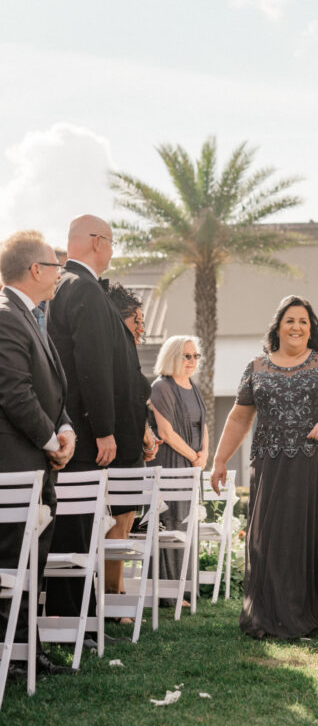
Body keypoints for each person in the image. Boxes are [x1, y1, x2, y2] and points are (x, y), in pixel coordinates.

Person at [210, 296, 318, 639]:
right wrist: (219, 459)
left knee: (317, 537)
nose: (297, 327)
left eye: (303, 321)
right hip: (271, 464)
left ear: (311, 328)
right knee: (273, 540)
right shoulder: (257, 367)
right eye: (290, 320)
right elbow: (240, 417)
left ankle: (311, 614)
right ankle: (271, 615)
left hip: (315, 465)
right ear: (278, 327)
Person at [44, 215, 137, 641]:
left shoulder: (64, 287)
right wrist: (104, 428)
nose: (113, 251)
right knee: (76, 530)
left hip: (72, 429)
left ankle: (82, 615)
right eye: (112, 242)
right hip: (83, 432)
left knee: (76, 528)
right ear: (98, 242)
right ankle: (72, 621)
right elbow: (93, 365)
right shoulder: (84, 290)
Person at [0, 231, 74, 677]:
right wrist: (51, 440)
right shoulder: (7, 316)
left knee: (35, 562)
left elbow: (52, 391)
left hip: (39, 462)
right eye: (55, 268)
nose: (59, 276)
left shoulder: (34, 316)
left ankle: (28, 651)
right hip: (16, 461)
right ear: (35, 270)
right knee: (12, 561)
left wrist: (64, 428)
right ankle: (9, 657)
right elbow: (14, 392)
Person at [104, 284, 158, 601]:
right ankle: (114, 594)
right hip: (122, 450)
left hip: (132, 448)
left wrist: (146, 432)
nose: (142, 327)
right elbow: (128, 400)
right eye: (136, 319)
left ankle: (118, 589)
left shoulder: (126, 350)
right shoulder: (117, 349)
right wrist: (143, 433)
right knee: (118, 522)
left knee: (125, 522)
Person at [149, 335, 208, 600]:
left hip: (191, 466)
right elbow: (166, 432)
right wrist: (193, 456)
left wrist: (205, 453)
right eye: (187, 356)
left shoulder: (193, 387)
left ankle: (186, 590)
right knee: (170, 524)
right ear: (172, 357)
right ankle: (167, 594)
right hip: (170, 465)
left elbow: (203, 424)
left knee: (186, 526)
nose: (192, 361)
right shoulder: (161, 387)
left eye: (195, 356)